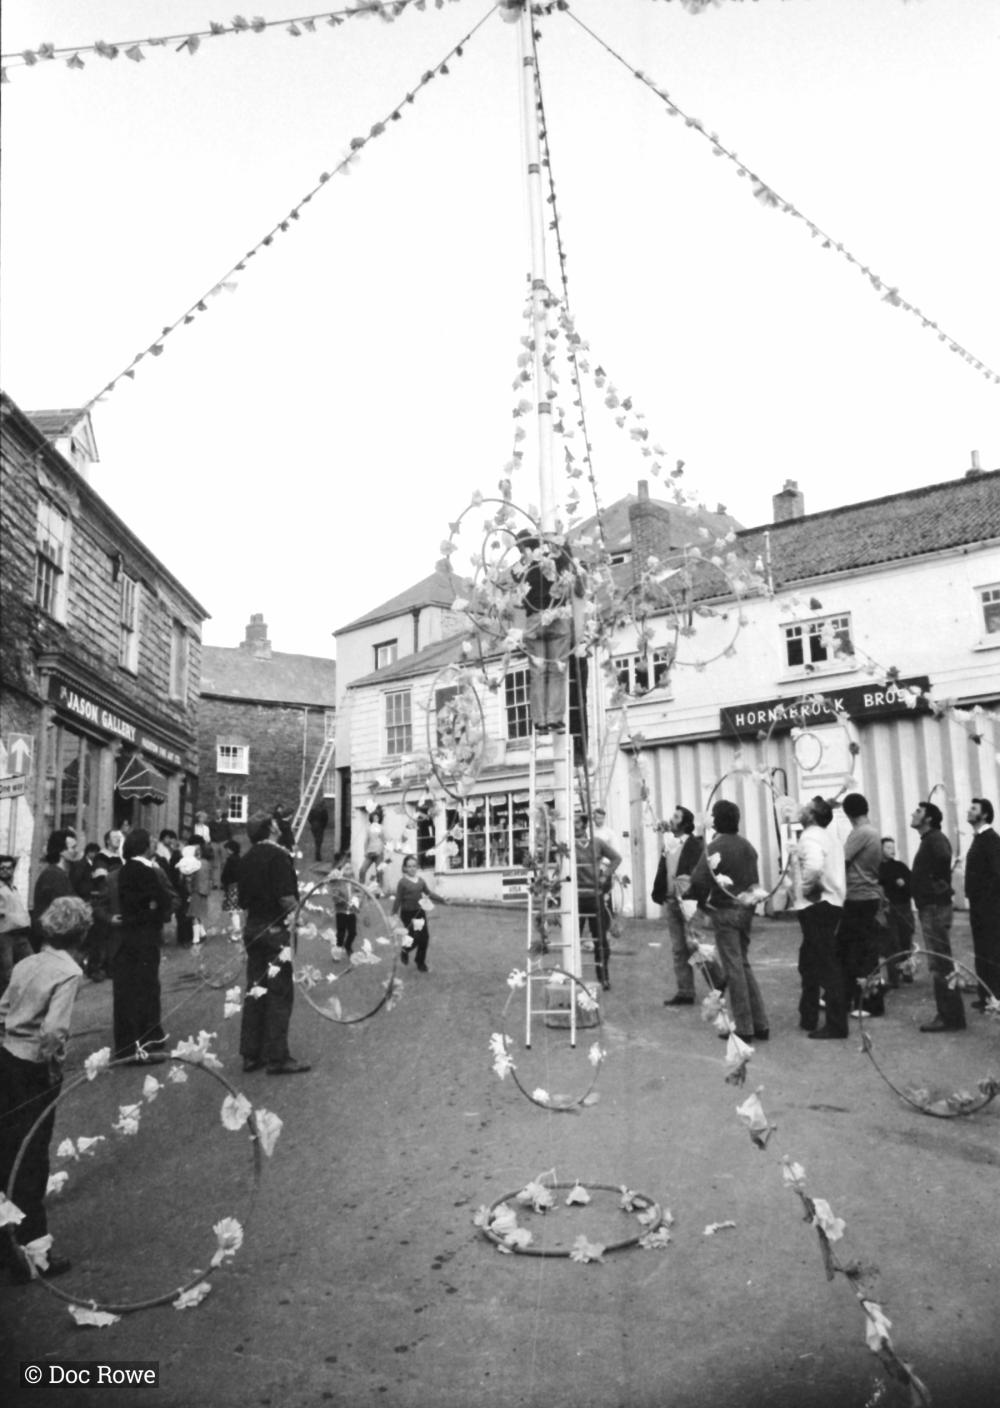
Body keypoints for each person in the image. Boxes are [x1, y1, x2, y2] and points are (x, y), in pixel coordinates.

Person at [0, 895, 89, 1284]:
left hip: (5, 1059)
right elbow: (54, 1030)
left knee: (6, 1151)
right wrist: (53, 1066)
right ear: (81, 935)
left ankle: (8, 1244)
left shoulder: (26, 962)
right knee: (32, 1158)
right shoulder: (68, 971)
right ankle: (36, 1251)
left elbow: (2, 1009)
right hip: (34, 1068)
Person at [688, 800, 768, 1042]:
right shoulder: (747, 847)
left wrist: (703, 905)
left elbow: (698, 880)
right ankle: (760, 1022)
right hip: (746, 911)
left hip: (725, 912)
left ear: (716, 821)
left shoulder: (715, 847)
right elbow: (754, 881)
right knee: (742, 964)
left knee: (734, 969)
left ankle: (744, 1027)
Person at [238, 812, 308, 1075]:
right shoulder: (279, 856)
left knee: (256, 989)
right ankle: (277, 1058)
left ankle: (251, 1054)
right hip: (276, 932)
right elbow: (286, 899)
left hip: (253, 929)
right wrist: (303, 917)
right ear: (272, 829)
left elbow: (241, 901)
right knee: (279, 992)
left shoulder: (246, 859)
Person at [513, 528, 585, 736]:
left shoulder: (522, 567)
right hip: (558, 616)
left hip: (535, 620)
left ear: (523, 546)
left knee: (538, 673)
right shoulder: (557, 558)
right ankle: (554, 719)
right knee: (557, 670)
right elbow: (571, 575)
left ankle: (540, 721)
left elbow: (517, 597)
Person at [113, 828, 174, 1062]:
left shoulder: (126, 869)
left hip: (131, 934)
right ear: (144, 846)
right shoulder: (145, 870)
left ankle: (130, 1043)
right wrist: (156, 909)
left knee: (131, 989)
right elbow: (161, 899)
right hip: (144, 935)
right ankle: (148, 1040)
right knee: (146, 988)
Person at [791, 797, 848, 1039]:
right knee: (810, 960)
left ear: (812, 816)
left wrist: (802, 889)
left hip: (818, 904)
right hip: (830, 903)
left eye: (806, 808)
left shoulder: (810, 837)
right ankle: (809, 1014)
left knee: (824, 963)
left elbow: (813, 867)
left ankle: (836, 1024)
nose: (801, 810)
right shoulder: (828, 837)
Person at [910, 801, 964, 1033]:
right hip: (930, 906)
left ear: (929, 819)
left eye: (919, 812)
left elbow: (942, 863)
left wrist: (931, 887)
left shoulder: (935, 839)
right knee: (940, 960)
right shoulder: (929, 840)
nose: (914, 814)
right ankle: (951, 1015)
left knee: (940, 961)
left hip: (933, 907)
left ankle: (949, 1017)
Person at [840, 793, 886, 1016]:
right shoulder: (872, 832)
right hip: (867, 896)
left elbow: (842, 860)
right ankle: (857, 998)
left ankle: (870, 1003)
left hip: (859, 897)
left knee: (861, 952)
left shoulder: (861, 833)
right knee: (861, 950)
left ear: (848, 812)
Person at [657, 806, 708, 1005]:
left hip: (689, 902)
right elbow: (664, 869)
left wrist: (697, 897)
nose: (672, 819)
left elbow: (700, 873)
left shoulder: (695, 845)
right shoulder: (669, 843)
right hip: (671, 901)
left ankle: (718, 980)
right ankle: (685, 991)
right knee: (678, 949)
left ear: (685, 823)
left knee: (695, 945)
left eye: (676, 817)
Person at [574, 813, 621, 991]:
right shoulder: (569, 845)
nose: (575, 826)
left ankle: (604, 977)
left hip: (595, 897)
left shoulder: (597, 843)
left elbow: (616, 858)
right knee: (573, 939)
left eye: (578, 823)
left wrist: (605, 876)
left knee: (600, 939)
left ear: (585, 825)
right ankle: (573, 976)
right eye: (573, 823)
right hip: (576, 899)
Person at [964, 797, 1000, 1010]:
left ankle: (994, 997)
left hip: (989, 909)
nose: (969, 811)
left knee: (991, 950)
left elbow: (998, 875)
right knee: (982, 951)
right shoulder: (979, 838)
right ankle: (987, 996)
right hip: (980, 907)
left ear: (984, 814)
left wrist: (986, 902)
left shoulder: (991, 839)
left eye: (974, 808)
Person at [392, 854, 447, 974]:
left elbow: (429, 893)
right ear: (405, 868)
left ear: (417, 867)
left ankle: (420, 962)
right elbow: (398, 899)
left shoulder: (421, 881)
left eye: (414, 866)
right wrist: (393, 914)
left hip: (419, 913)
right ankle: (405, 950)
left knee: (424, 938)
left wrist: (442, 899)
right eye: (409, 866)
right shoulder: (402, 883)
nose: (412, 868)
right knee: (413, 938)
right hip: (407, 914)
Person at [31, 830, 78, 950]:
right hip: (51, 939)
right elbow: (64, 908)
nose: (75, 851)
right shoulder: (54, 875)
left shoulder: (57, 873)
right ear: (61, 851)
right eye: (73, 847)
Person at [878, 837, 915, 985]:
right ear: (881, 850)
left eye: (893, 847)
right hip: (889, 910)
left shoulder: (900, 867)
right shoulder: (878, 869)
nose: (892, 850)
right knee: (892, 943)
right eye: (887, 847)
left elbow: (912, 885)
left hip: (904, 908)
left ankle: (907, 973)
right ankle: (894, 978)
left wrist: (904, 884)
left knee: (906, 940)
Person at [0, 855, 33, 998]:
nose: (5, 871)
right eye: (2, 868)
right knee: (6, 973)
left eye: (9, 868)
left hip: (20, 934)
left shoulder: (13, 887)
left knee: (30, 964)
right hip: (5, 934)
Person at [331, 855, 358, 957]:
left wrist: (356, 902)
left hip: (351, 912)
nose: (349, 870)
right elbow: (335, 897)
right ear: (341, 871)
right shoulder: (338, 883)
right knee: (341, 932)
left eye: (350, 868)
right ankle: (338, 948)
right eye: (346, 869)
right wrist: (339, 899)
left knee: (353, 932)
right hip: (341, 912)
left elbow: (358, 893)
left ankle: (348, 945)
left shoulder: (354, 882)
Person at [220, 839, 243, 938]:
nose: (226, 851)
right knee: (234, 910)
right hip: (238, 887)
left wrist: (223, 881)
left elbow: (226, 874)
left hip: (231, 887)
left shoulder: (231, 860)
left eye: (227, 849)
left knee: (233, 910)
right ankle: (235, 927)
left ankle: (237, 931)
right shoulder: (239, 859)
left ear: (231, 850)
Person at [359, 811, 386, 886]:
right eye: (374, 817)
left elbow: (384, 841)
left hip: (378, 853)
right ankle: (362, 887)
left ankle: (380, 890)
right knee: (362, 870)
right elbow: (366, 841)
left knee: (379, 872)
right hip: (370, 852)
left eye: (377, 817)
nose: (375, 819)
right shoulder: (368, 828)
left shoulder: (381, 828)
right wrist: (365, 851)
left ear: (379, 818)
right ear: (371, 818)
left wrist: (380, 851)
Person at [208, 812, 233, 889]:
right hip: (214, 843)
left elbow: (230, 833)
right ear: (214, 815)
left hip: (224, 842)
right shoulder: (211, 823)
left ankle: (223, 883)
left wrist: (229, 843)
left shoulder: (226, 823)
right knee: (215, 864)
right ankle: (215, 883)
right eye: (216, 813)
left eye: (219, 813)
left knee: (224, 863)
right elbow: (209, 833)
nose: (218, 815)